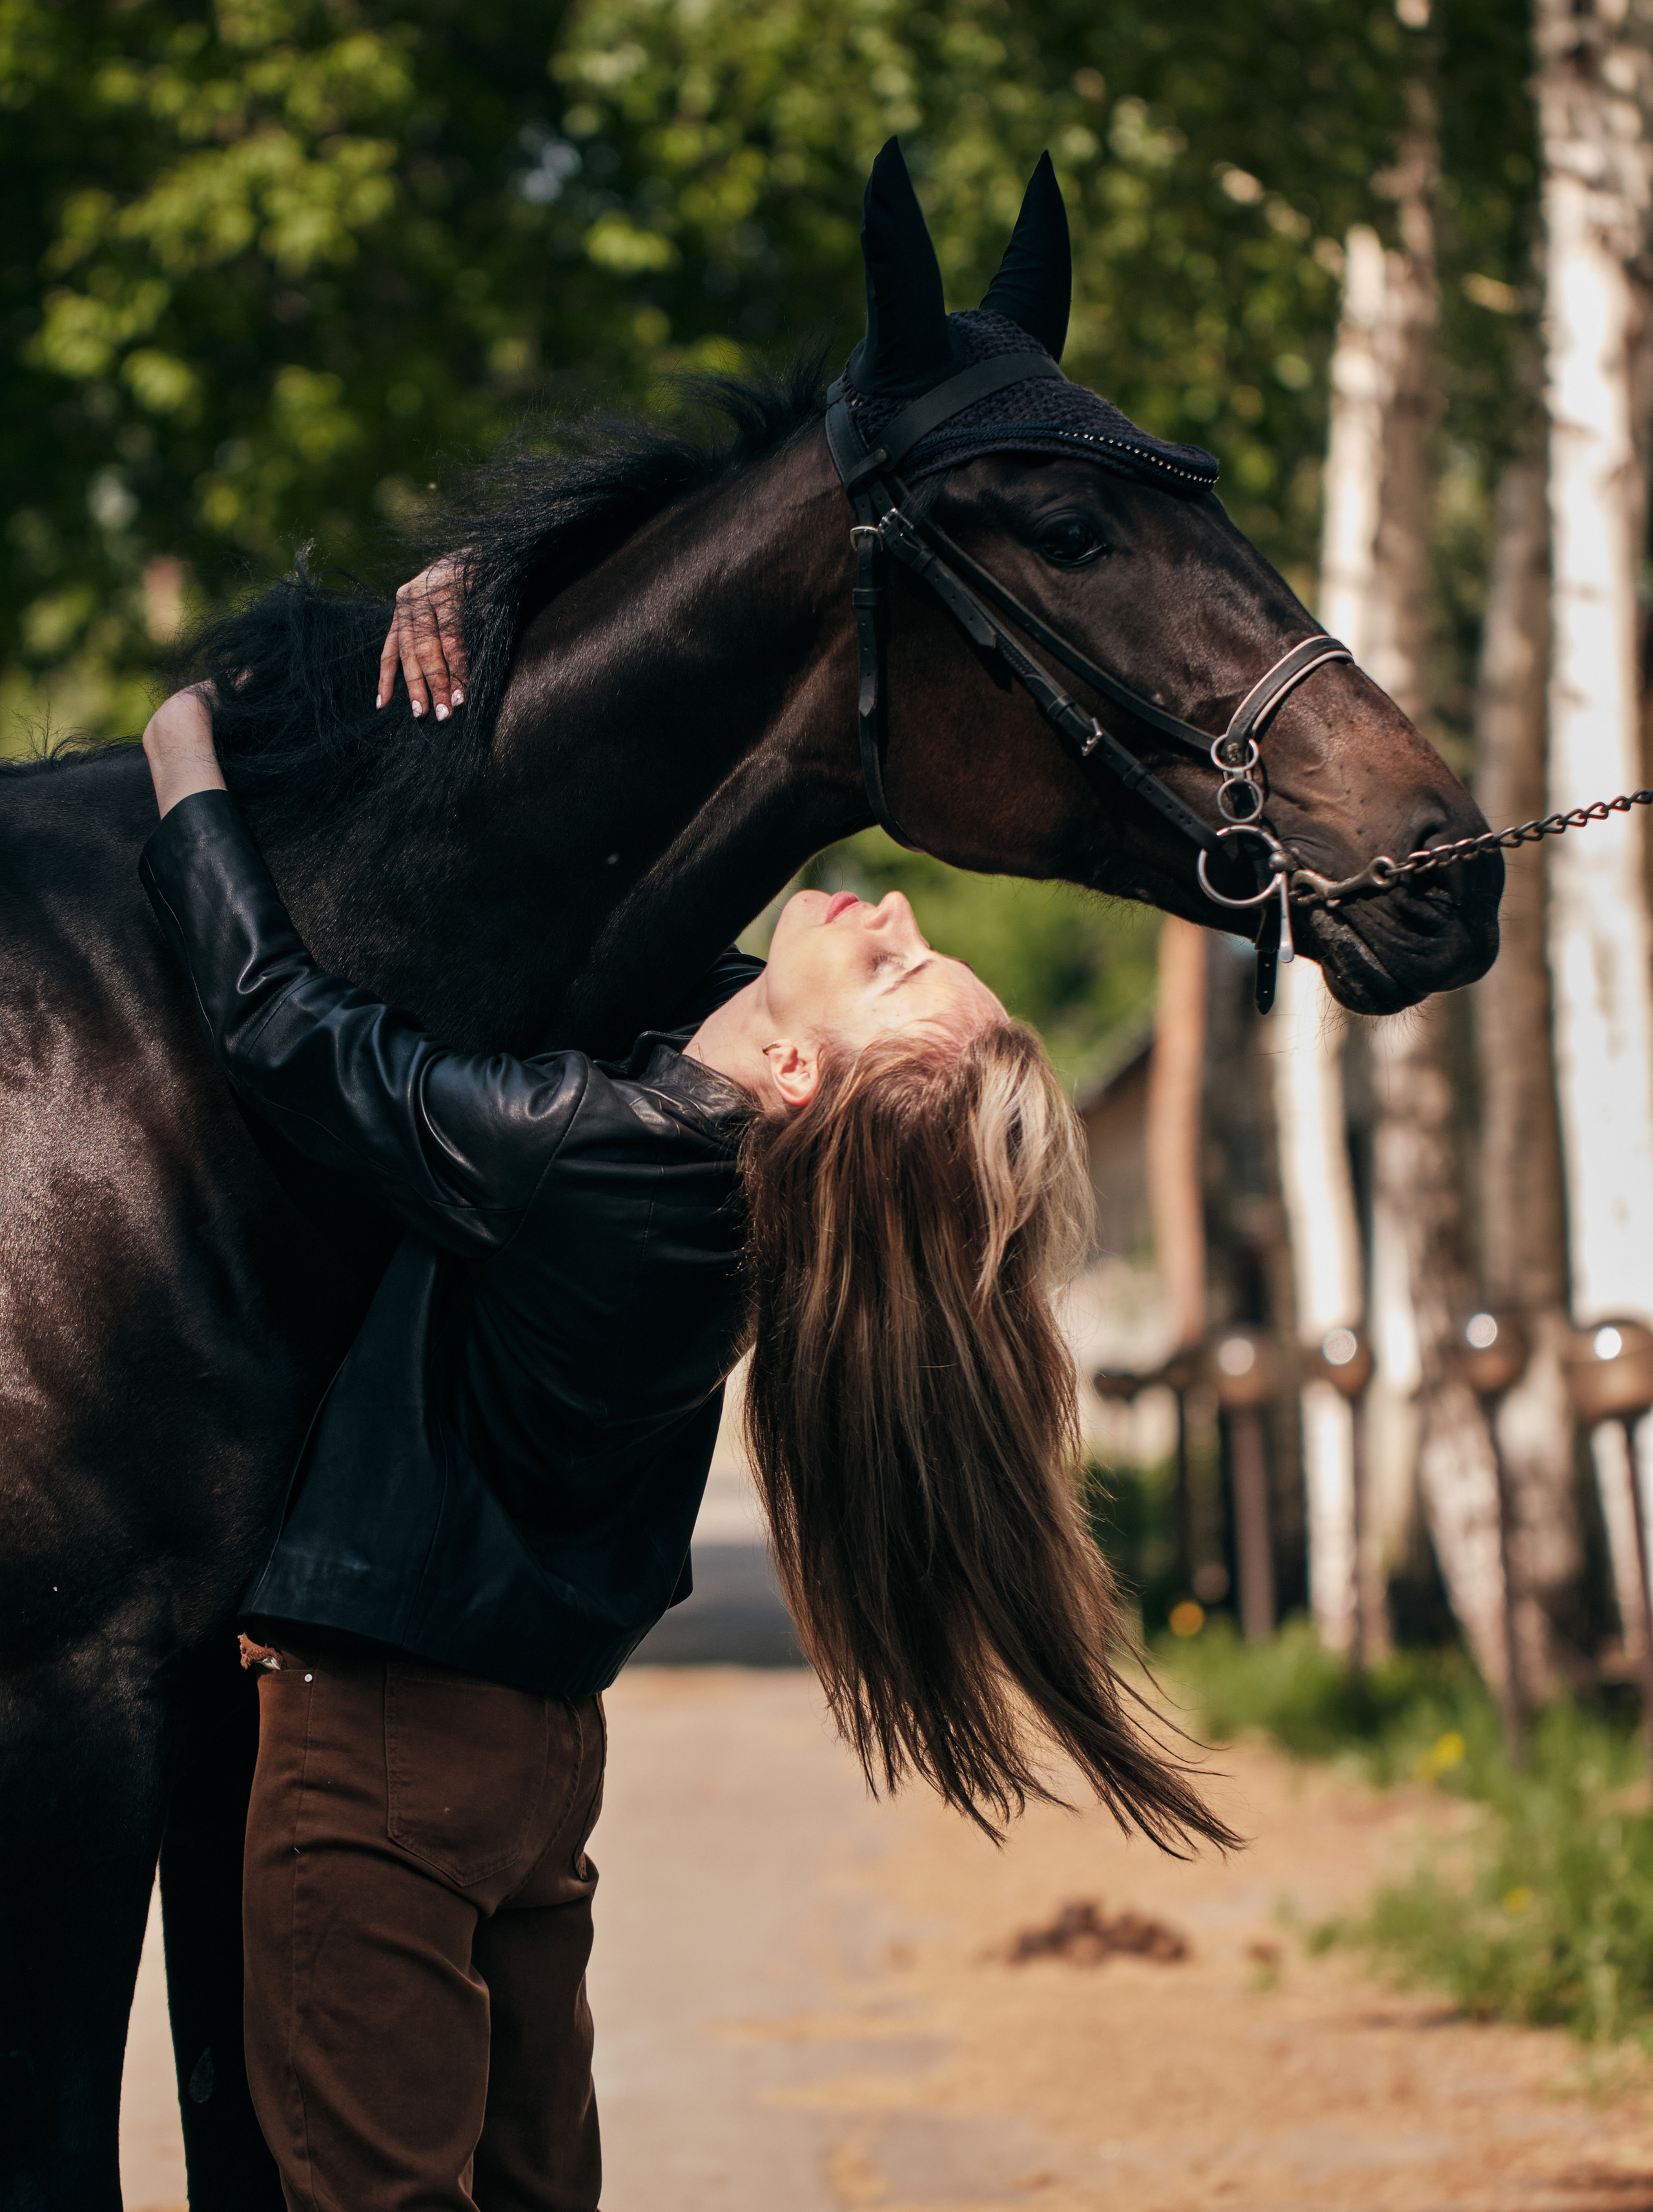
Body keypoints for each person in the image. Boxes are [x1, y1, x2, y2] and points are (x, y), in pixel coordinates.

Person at [139, 636, 1231, 2212]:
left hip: (381, 1745)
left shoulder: (591, 1163)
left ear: (796, 1070)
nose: (899, 915)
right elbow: (640, 936)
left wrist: (183, 755)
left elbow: (281, 1028)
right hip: (526, 1761)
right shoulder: (733, 1184)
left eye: (894, 976)